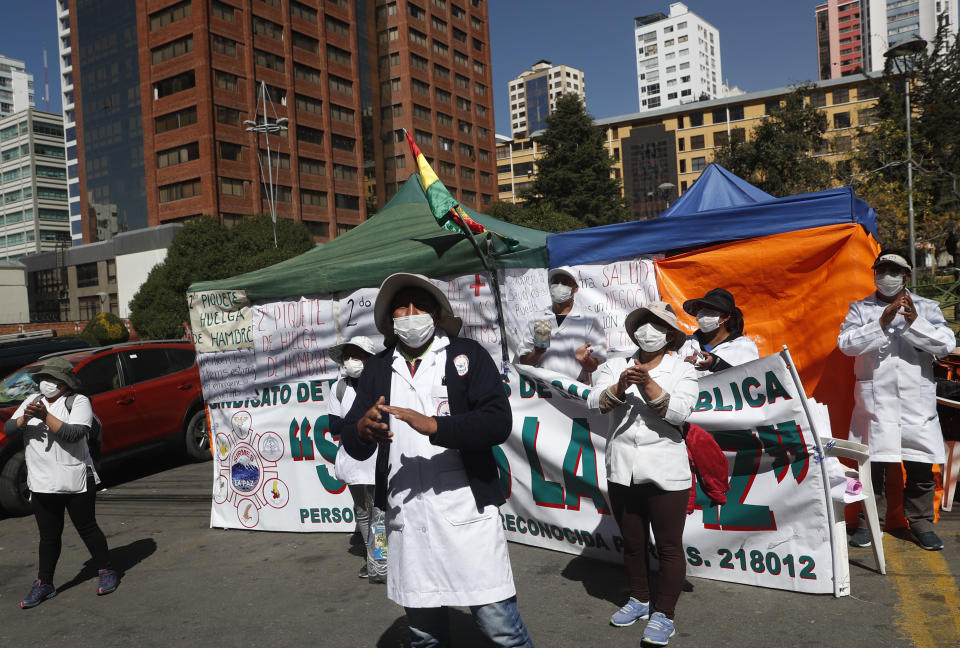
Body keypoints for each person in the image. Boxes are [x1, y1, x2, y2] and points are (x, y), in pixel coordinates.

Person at [341, 273, 534, 648]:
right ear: (389, 319)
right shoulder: (379, 368)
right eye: (402, 306)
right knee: (424, 634)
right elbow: (353, 438)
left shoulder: (467, 356)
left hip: (465, 510)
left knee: (500, 627)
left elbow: (497, 421)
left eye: (420, 305)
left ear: (436, 313)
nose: (411, 314)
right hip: (408, 516)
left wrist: (434, 426)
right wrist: (364, 429)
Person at [587, 301, 697, 646]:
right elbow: (593, 402)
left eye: (657, 326)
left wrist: (648, 385)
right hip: (622, 468)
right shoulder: (614, 365)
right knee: (633, 544)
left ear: (670, 335)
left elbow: (678, 413)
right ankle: (638, 599)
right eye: (642, 325)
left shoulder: (683, 370)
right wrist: (620, 386)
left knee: (668, 546)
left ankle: (664, 614)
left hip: (665, 470)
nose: (648, 332)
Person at [838, 250, 956, 551]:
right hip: (875, 402)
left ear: (906, 276)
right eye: (881, 270)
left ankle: (919, 522)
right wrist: (880, 322)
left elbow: (945, 344)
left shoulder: (927, 307)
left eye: (894, 271)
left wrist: (916, 322)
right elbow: (846, 346)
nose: (886, 276)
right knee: (873, 466)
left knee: (920, 465)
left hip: (917, 402)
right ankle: (868, 523)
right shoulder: (860, 309)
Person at [5, 357, 118, 609]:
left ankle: (106, 569)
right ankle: (44, 583)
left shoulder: (77, 401)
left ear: (65, 383)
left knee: (87, 527)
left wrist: (45, 416)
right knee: (48, 536)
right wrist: (25, 418)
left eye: (52, 379)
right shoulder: (31, 402)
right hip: (41, 481)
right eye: (43, 379)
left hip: (75, 478)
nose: (46, 384)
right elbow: (10, 428)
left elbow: (74, 433)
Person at [328, 335, 386, 583]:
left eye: (357, 355)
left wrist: (354, 424)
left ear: (369, 359)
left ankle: (381, 561)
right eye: (348, 356)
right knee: (363, 513)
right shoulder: (338, 388)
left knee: (380, 512)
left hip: (377, 460)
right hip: (351, 461)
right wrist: (358, 423)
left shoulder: (381, 384)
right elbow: (334, 426)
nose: (351, 361)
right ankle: (373, 559)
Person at [517, 266, 606, 383]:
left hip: (575, 393)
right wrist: (537, 352)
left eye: (565, 282)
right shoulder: (537, 318)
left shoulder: (590, 319)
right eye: (555, 282)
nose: (559, 286)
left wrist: (584, 360)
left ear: (575, 288)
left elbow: (593, 367)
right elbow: (524, 362)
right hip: (544, 393)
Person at [677, 288, 758, 376]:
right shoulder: (684, 343)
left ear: (726, 316)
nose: (704, 315)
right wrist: (681, 367)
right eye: (702, 310)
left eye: (710, 310)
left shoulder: (744, 347)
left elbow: (751, 379)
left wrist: (716, 364)